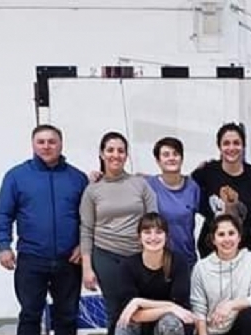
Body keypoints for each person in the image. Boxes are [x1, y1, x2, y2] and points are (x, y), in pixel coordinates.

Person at [0, 124, 88, 335]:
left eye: (52, 142)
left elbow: (88, 219)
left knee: (67, 316)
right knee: (30, 315)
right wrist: (3, 246)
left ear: (61, 144)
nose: (46, 147)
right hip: (31, 258)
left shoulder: (77, 178)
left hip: (69, 260)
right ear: (33, 145)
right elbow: (2, 214)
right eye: (41, 142)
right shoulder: (16, 176)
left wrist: (83, 245)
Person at [80, 131, 158, 335]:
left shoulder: (140, 184)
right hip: (106, 256)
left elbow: (153, 221)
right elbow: (86, 229)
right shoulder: (92, 190)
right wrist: (87, 268)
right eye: (110, 150)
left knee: (141, 309)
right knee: (116, 309)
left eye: (121, 150)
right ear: (102, 153)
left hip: (138, 256)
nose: (116, 155)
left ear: (126, 155)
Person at [193, 122, 251, 257]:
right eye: (226, 143)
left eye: (236, 143)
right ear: (219, 146)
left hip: (243, 246)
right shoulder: (207, 171)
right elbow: (183, 188)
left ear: (243, 146)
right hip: (211, 247)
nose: (231, 148)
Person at [115, 213, 195, 335]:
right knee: (124, 324)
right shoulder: (127, 265)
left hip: (170, 325)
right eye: (147, 232)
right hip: (141, 326)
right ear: (139, 237)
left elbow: (180, 308)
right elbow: (134, 315)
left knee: (170, 321)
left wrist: (138, 302)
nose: (153, 237)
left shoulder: (179, 263)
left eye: (158, 232)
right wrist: (170, 307)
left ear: (166, 236)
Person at [190, 213, 251, 335]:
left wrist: (230, 305)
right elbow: (199, 310)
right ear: (213, 240)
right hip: (212, 331)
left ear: (239, 237)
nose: (227, 239)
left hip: (240, 327)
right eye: (221, 234)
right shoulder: (201, 268)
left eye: (231, 233)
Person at [145, 137, 201, 269]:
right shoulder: (149, 186)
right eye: (166, 155)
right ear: (158, 161)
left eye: (175, 154)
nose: (171, 158)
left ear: (182, 158)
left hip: (186, 259)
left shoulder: (193, 187)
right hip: (157, 260)